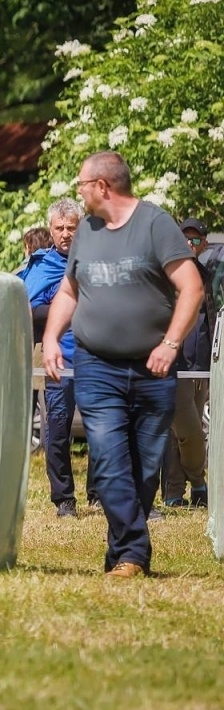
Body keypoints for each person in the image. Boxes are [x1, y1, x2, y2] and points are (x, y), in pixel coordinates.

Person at [42, 151, 203, 578]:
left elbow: (191, 288)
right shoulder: (87, 233)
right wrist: (51, 337)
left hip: (153, 369)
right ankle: (133, 555)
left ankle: (121, 553)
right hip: (98, 366)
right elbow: (69, 291)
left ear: (102, 186)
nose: (78, 191)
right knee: (110, 461)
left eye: (81, 184)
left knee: (143, 469)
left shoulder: (155, 225)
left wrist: (171, 343)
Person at [19, 199, 97, 518]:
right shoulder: (41, 265)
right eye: (60, 228)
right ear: (51, 231)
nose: (66, 234)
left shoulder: (96, 261)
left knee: (103, 431)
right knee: (58, 431)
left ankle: (98, 494)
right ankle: (64, 499)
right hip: (59, 363)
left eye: (71, 228)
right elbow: (27, 309)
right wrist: (64, 310)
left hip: (97, 360)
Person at [161, 218, 212, 509]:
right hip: (175, 365)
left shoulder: (206, 275)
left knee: (180, 433)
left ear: (203, 244)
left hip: (201, 365)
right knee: (188, 430)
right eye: (185, 240)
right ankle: (199, 482)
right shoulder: (168, 277)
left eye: (195, 241)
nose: (190, 245)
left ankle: (174, 494)